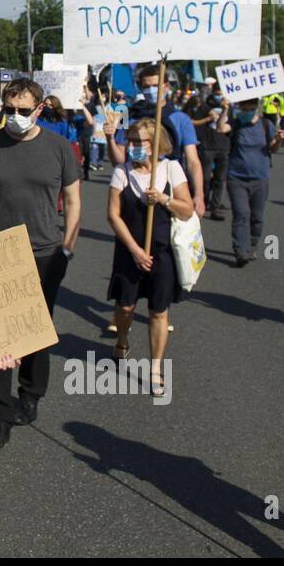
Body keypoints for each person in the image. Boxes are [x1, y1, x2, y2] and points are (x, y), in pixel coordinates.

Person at [0, 79, 81, 451]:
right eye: (9, 110)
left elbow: (72, 201)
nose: (16, 117)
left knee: (35, 327)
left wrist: (67, 247)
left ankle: (32, 391)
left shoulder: (59, 147)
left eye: (24, 111)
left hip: (45, 250)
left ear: (40, 109)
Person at [105, 119, 194, 396]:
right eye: (129, 140)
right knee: (126, 307)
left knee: (159, 311)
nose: (131, 146)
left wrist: (164, 200)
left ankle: (155, 367)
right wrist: (134, 250)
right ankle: (122, 340)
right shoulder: (122, 172)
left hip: (162, 252)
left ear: (155, 144)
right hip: (130, 250)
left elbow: (187, 209)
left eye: (138, 141)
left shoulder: (171, 168)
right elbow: (113, 214)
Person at [107, 67, 206, 220]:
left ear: (166, 86)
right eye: (146, 86)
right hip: (134, 183)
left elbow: (193, 161)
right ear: (140, 87)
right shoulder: (127, 116)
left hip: (170, 185)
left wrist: (199, 194)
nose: (151, 90)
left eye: (155, 85)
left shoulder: (181, 119)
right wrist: (110, 139)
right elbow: (119, 160)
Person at [226, 99, 284, 267]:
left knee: (257, 216)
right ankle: (240, 251)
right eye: (244, 108)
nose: (247, 111)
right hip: (236, 177)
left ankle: (252, 244)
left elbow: (273, 148)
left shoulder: (265, 125)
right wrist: (224, 110)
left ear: (256, 108)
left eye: (250, 108)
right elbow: (221, 128)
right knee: (241, 214)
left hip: (260, 178)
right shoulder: (236, 123)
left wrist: (279, 140)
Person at [189, 81, 231, 221]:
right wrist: (208, 118)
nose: (219, 95)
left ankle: (215, 208)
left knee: (220, 179)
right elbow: (192, 121)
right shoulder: (206, 106)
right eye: (217, 92)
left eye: (222, 93)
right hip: (207, 146)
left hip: (224, 146)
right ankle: (204, 201)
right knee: (206, 178)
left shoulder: (230, 107)